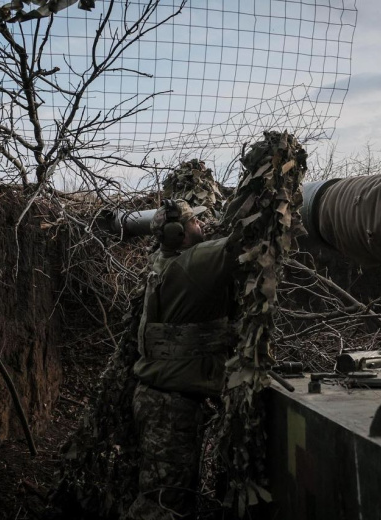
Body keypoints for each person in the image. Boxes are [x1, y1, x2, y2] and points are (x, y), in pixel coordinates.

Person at [129, 198, 241, 520]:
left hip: (159, 399)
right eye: (196, 222)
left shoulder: (161, 262)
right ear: (180, 233)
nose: (202, 225)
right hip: (169, 408)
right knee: (162, 506)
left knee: (166, 495)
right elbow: (245, 242)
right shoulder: (194, 263)